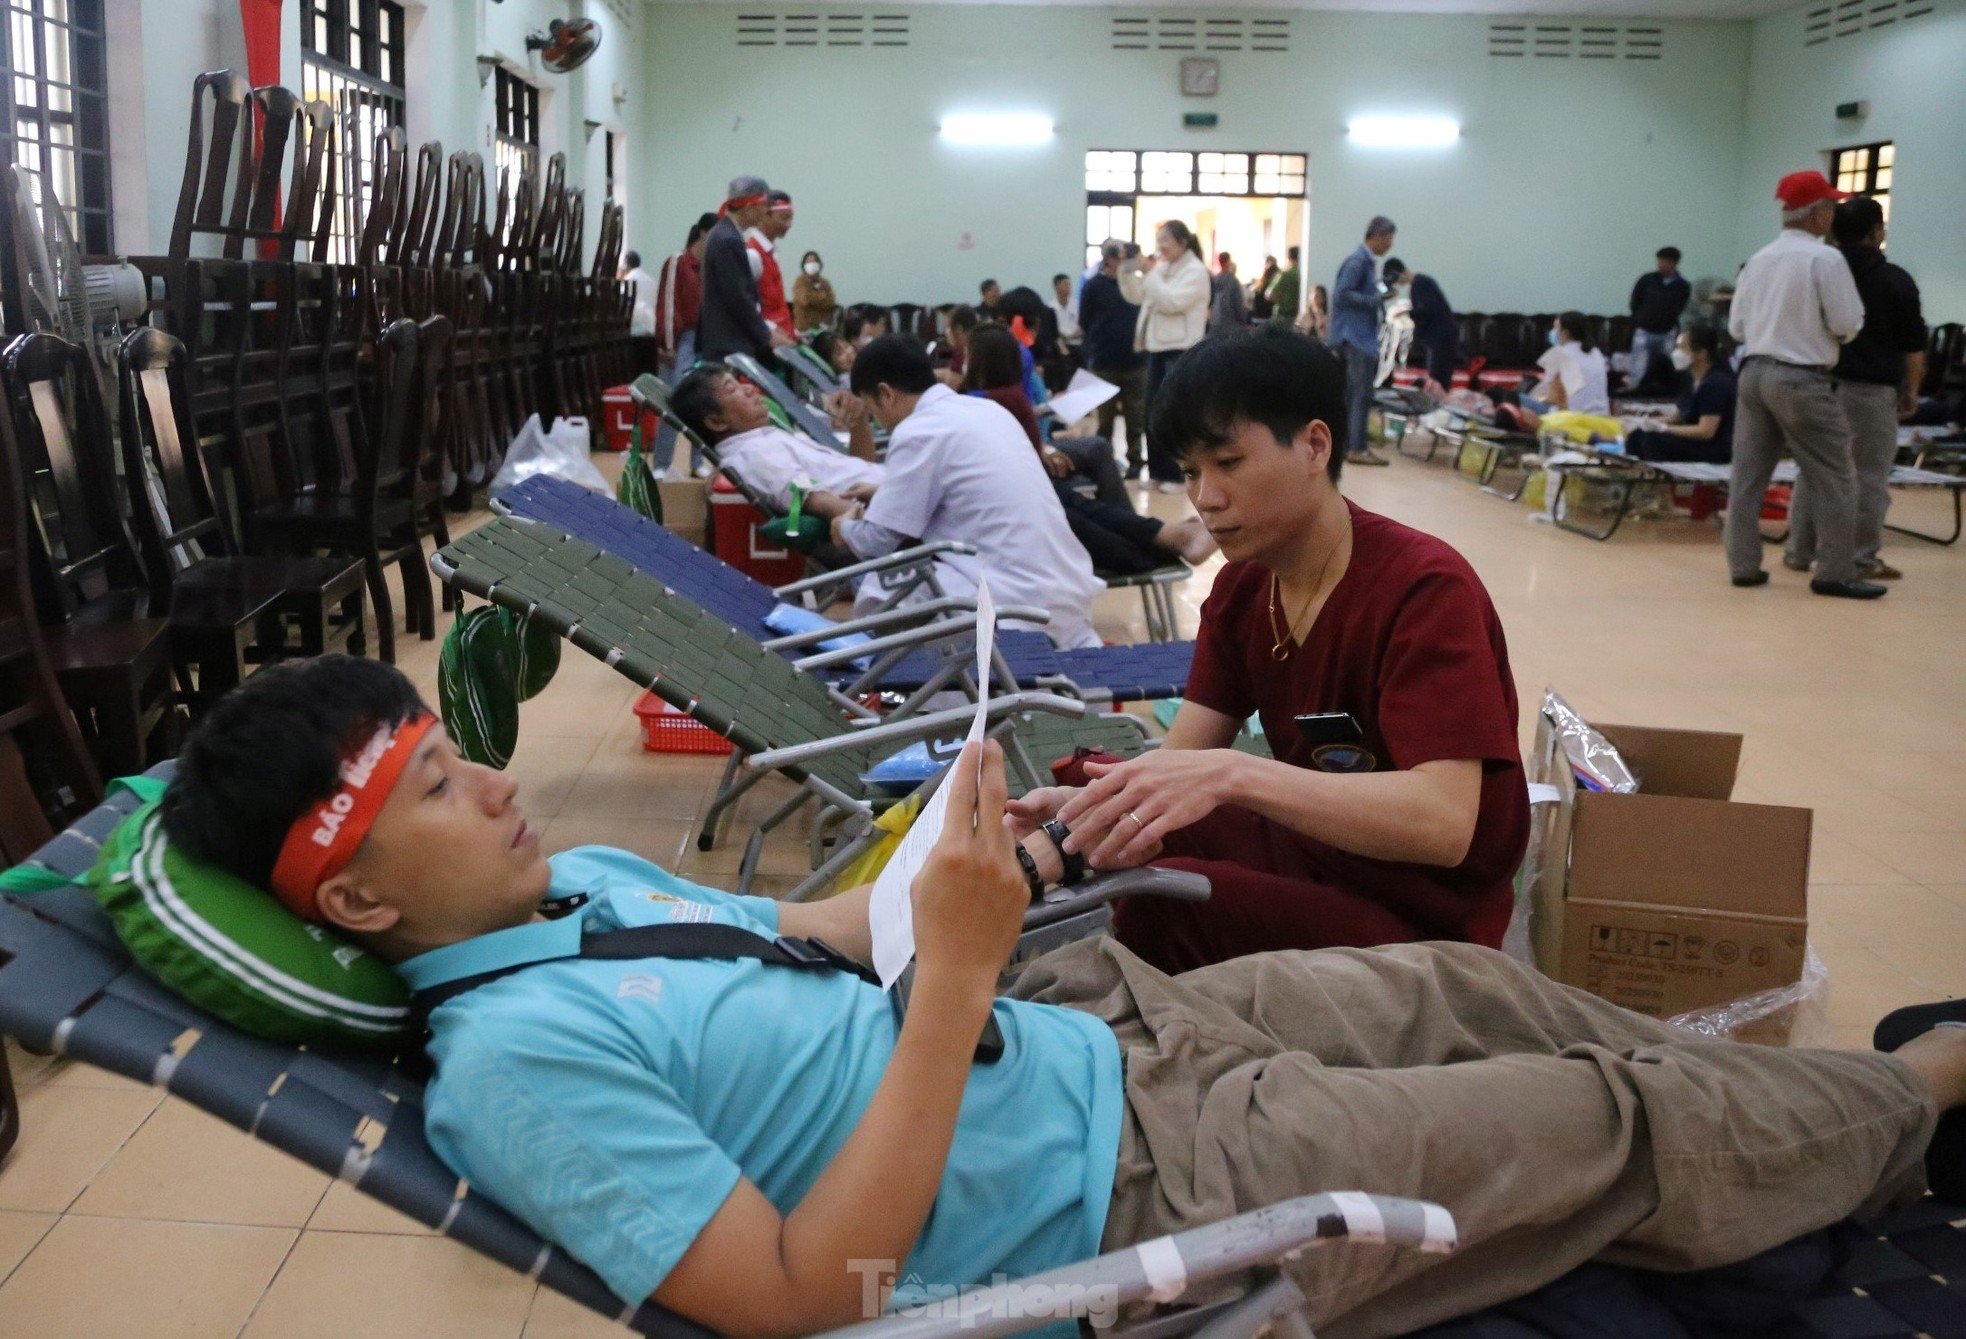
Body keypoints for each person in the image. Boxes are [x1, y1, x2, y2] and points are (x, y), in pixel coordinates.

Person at [168, 613, 1966, 1339]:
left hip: (1096, 1024)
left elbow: (819, 943)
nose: (491, 773)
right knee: (1599, 1105)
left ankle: (1788, 1100)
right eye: (428, 783)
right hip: (1123, 1185)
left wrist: (981, 864)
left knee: (1461, 985)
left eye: (452, 746)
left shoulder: (589, 886)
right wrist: (951, 984)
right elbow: (814, 1290)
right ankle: (1921, 1093)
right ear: (365, 906)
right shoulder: (513, 1065)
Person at [1008, 324, 1529, 970]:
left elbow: (1444, 823)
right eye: (1192, 472)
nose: (1206, 497)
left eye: (1228, 464)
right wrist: (1080, 814)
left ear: (1315, 445)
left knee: (1164, 904)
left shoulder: (1423, 591)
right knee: (1134, 832)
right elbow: (1179, 768)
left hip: (1424, 913)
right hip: (1323, 854)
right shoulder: (1246, 590)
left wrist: (1238, 774)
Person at [841, 335, 1106, 647]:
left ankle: (911, 689)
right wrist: (887, 492)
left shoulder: (918, 431)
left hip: (1015, 609)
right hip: (1066, 595)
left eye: (872, 411)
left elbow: (876, 542)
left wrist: (843, 526)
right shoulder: (985, 410)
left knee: (884, 584)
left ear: (885, 394)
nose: (879, 423)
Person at [1725, 170, 1878, 599]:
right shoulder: (1825, 260)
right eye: (1829, 206)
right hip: (1801, 378)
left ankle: (1743, 565)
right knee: (1835, 475)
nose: (1832, 215)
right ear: (1818, 215)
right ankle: (1834, 572)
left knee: (1748, 477)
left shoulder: (1759, 259)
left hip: (1753, 374)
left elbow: (1737, 326)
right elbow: (1847, 323)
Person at [959, 324, 1214, 572]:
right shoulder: (1000, 396)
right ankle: (1162, 539)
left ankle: (1162, 538)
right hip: (1021, 485)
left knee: (1081, 486)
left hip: (1021, 479)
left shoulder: (986, 400)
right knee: (1074, 503)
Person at [1785, 195, 1927, 584]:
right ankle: (1861, 558)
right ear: (1876, 232)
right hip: (1869, 390)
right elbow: (1912, 345)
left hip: (1814, 382)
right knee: (1866, 476)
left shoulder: (1815, 270)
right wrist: (1912, 389)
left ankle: (1799, 551)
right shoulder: (1894, 279)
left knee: (1812, 469)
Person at [672, 364, 881, 516]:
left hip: (889, 493)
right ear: (717, 422)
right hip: (894, 509)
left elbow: (859, 470)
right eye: (732, 389)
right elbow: (814, 498)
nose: (749, 389)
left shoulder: (765, 438)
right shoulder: (754, 454)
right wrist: (880, 524)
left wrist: (859, 421)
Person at [1119, 220, 1212, 492]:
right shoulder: (1162, 269)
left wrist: (1150, 274)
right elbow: (1138, 297)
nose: (1160, 247)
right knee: (1153, 413)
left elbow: (1171, 302)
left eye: (1165, 241)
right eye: (1157, 240)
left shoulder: (1195, 271)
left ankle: (1178, 475)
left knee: (1176, 414)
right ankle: (1159, 472)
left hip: (1181, 350)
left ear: (1182, 242)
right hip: (1158, 348)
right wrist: (1127, 271)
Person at [697, 175, 794, 363]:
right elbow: (737, 298)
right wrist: (766, 335)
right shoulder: (728, 240)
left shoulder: (726, 234)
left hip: (729, 340)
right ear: (750, 208)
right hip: (728, 344)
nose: (766, 211)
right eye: (764, 206)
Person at [1331, 217, 1397, 467]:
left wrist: (1382, 293)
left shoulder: (1365, 263)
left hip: (1356, 336)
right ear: (1377, 236)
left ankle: (1350, 445)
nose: (1390, 245)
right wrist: (1375, 300)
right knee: (1361, 394)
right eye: (1389, 238)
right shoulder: (1358, 262)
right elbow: (1342, 295)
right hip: (1356, 337)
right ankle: (1357, 448)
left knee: (1352, 395)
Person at [1078, 243, 1147, 478]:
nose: (1127, 262)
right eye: (1122, 258)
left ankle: (1136, 462)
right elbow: (1085, 321)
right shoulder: (1093, 286)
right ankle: (1103, 463)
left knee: (1135, 417)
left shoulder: (1134, 284)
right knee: (1104, 420)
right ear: (1110, 260)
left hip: (1135, 360)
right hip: (1104, 361)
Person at [1621, 324, 1737, 464]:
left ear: (1701, 353)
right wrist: (1644, 423)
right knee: (1637, 436)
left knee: (1651, 441)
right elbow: (1677, 417)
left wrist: (1666, 429)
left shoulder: (1716, 383)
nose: (1676, 353)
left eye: (1682, 348)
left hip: (1714, 448)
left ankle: (1658, 482)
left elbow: (1706, 431)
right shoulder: (1690, 380)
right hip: (1694, 442)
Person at [1381, 260, 1457, 390]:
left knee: (1437, 380)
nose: (1397, 284)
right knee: (1438, 379)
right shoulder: (1421, 283)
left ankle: (1438, 403)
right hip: (1441, 338)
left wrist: (1405, 313)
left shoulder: (1420, 284)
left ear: (1398, 273)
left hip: (1439, 339)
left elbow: (1425, 312)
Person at [1526, 312, 1610, 416]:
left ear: (1565, 333)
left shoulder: (1558, 353)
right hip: (1601, 416)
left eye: (1555, 328)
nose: (1553, 332)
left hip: (1570, 416)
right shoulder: (1597, 353)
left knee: (1519, 399)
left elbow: (1551, 397)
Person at [1628, 247, 1692, 380]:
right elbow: (1635, 302)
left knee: (1666, 368)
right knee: (1638, 368)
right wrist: (1640, 319)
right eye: (1659, 261)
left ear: (1674, 263)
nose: (1659, 264)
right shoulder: (1646, 280)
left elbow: (1680, 307)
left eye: (1663, 261)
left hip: (1667, 332)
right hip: (1644, 331)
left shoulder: (1683, 286)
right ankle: (1635, 394)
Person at [746, 190, 796, 339]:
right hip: (770, 341)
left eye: (790, 219)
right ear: (765, 215)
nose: (788, 225)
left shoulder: (772, 252)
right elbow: (747, 307)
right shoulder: (752, 255)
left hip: (784, 337)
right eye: (783, 218)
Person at [622, 249, 659, 375]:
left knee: (634, 369)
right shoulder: (651, 280)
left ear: (626, 264)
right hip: (651, 330)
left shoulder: (628, 279)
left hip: (633, 331)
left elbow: (622, 303)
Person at [792, 250, 837, 333]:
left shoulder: (825, 282)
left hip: (823, 328)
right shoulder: (800, 281)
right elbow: (804, 300)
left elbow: (831, 302)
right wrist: (822, 296)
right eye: (808, 262)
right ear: (804, 265)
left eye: (814, 261)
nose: (811, 264)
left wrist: (813, 299)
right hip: (804, 329)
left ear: (819, 264)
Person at [1208, 251, 1248, 331]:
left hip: (1214, 320)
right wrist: (1243, 321)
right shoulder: (1233, 281)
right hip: (1230, 322)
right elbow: (1238, 302)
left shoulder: (1214, 279)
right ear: (1228, 261)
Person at [1046, 272, 1082, 359]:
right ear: (1055, 287)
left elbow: (1084, 325)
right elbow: (1050, 329)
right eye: (1065, 284)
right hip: (1059, 346)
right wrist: (1062, 336)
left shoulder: (1077, 305)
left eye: (1069, 285)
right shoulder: (1050, 307)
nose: (1068, 287)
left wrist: (1072, 336)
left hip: (1077, 344)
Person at [1266, 246, 1303, 329]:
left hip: (1281, 317)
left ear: (1288, 256)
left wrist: (1282, 299)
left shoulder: (1283, 274)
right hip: (1298, 317)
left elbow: (1269, 294)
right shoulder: (1303, 275)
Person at [1248, 254, 1279, 321]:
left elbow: (1255, 291)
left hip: (1263, 312)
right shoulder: (1278, 275)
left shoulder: (1266, 278)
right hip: (1270, 311)